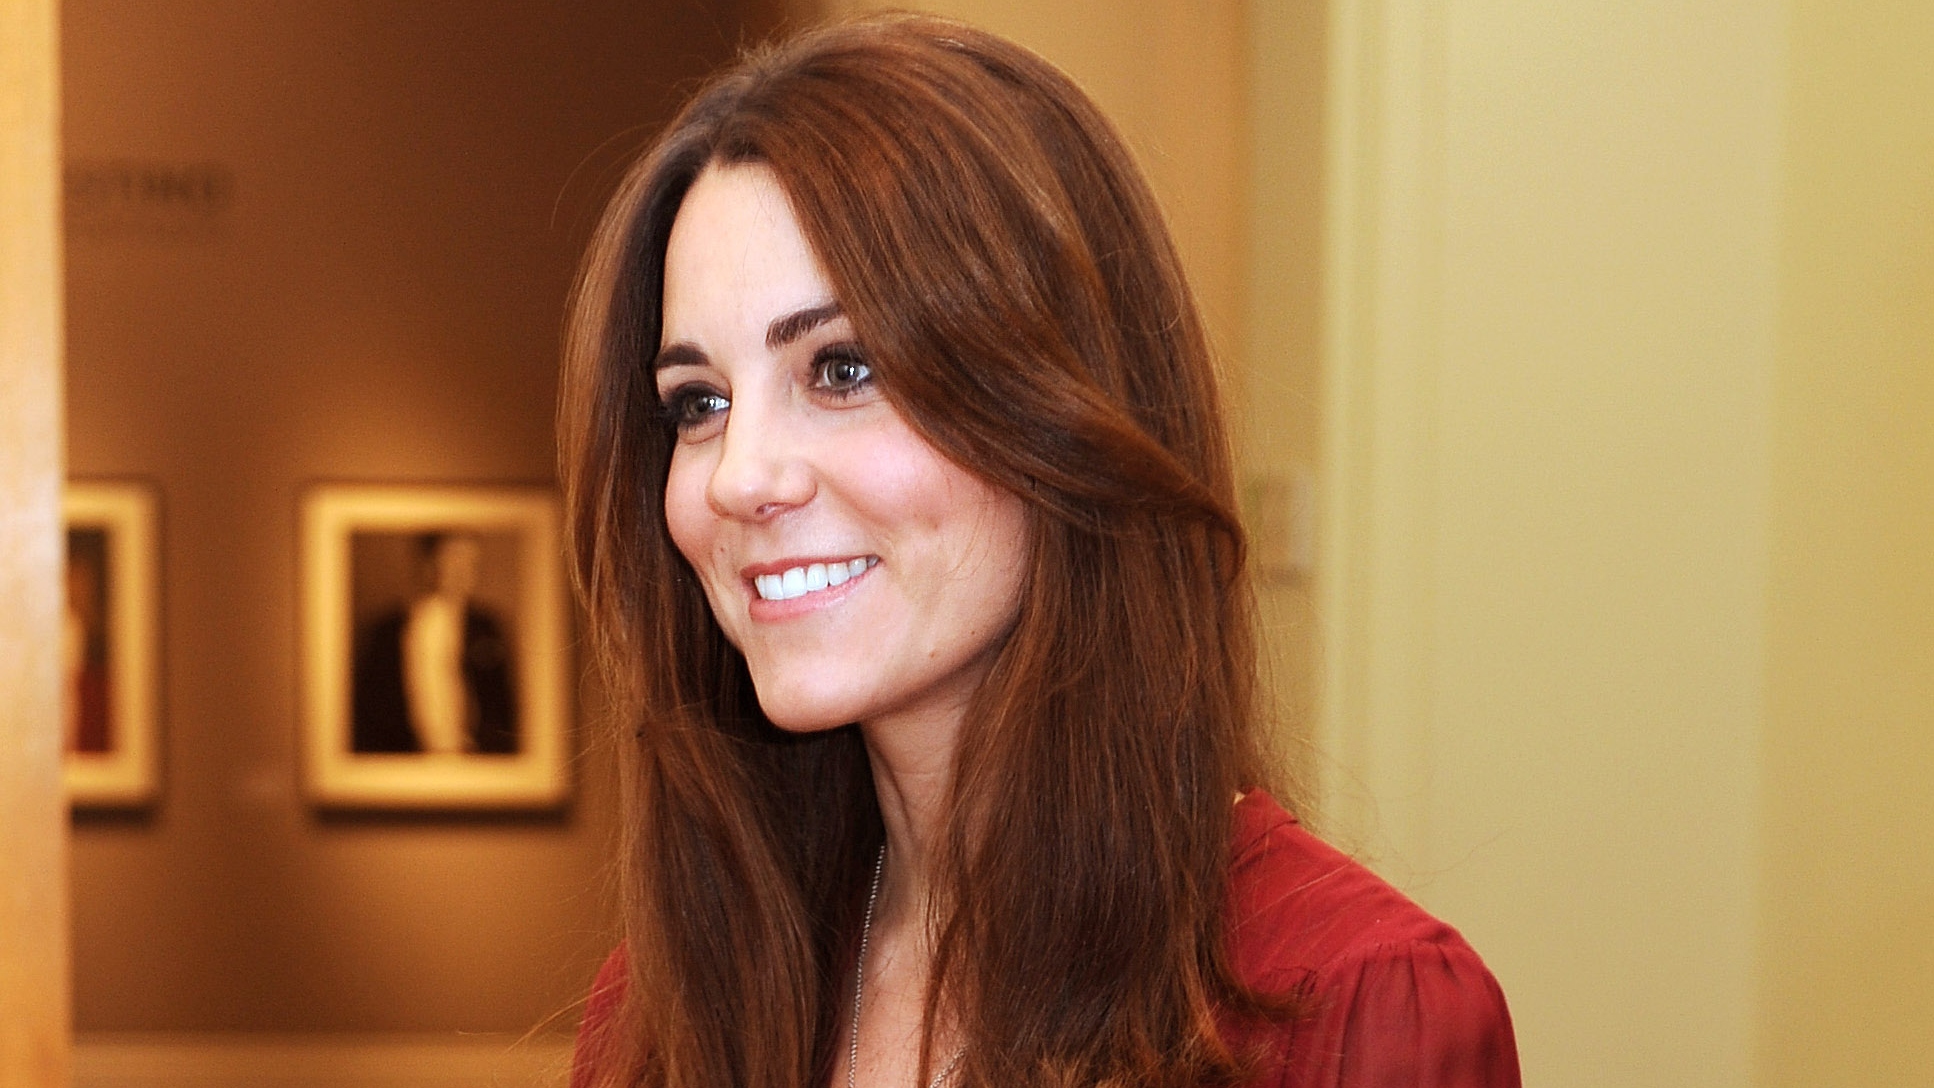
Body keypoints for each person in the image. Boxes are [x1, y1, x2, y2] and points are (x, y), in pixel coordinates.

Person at [559, 14, 1518, 1088]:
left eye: (841, 371)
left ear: (1063, 406)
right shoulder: (667, 1011)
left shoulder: (1356, 1008)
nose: (739, 476)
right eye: (698, 402)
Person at [351, 531, 518, 755]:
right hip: (404, 758)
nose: (463, 571)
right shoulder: (387, 630)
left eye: (470, 563)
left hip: (475, 757)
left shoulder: (486, 627)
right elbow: (370, 708)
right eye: (454, 559)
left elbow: (503, 702)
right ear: (429, 563)